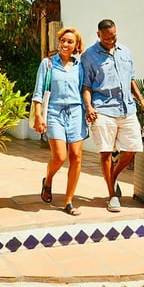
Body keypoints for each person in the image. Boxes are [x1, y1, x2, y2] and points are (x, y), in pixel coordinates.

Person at [81, 19, 144, 212]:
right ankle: (112, 195)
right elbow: (86, 85)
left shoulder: (125, 52)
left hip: (127, 108)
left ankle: (112, 178)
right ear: (99, 35)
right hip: (103, 109)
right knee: (106, 152)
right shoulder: (89, 56)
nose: (112, 40)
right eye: (107, 38)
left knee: (131, 149)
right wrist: (89, 107)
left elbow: (131, 80)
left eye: (114, 36)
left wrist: (140, 99)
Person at [31, 27, 88, 216]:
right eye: (63, 40)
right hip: (54, 112)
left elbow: (84, 90)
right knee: (60, 156)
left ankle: (68, 201)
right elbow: (38, 92)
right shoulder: (47, 64)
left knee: (76, 157)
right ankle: (48, 180)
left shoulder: (80, 67)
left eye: (70, 41)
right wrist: (39, 115)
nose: (65, 44)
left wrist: (89, 109)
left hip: (76, 112)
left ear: (76, 45)